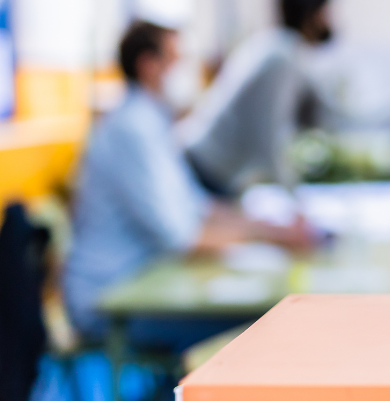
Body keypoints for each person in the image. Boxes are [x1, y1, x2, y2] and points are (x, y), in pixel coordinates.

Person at [63, 21, 308, 351]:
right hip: (111, 298)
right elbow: (182, 237)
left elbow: (198, 207)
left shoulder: (151, 121)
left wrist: (268, 226)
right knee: (256, 326)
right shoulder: (132, 129)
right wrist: (272, 236)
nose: (184, 72)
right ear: (149, 66)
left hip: (147, 282)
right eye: (176, 61)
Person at [179, 0, 334, 195]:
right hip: (207, 167)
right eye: (325, 14)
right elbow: (269, 132)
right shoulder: (281, 58)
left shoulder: (273, 45)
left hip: (206, 163)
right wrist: (291, 193)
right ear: (310, 16)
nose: (329, 22)